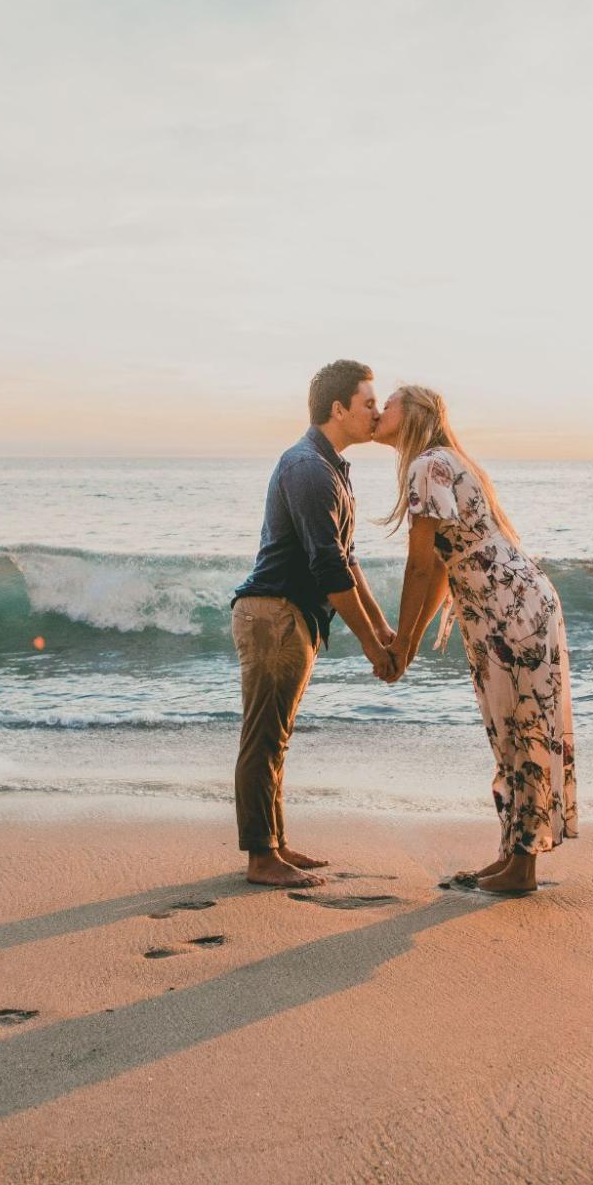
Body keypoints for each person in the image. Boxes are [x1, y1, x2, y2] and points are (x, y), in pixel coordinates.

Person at [376, 385, 576, 894]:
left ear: (414, 415)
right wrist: (412, 640)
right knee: (508, 730)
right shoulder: (443, 461)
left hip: (509, 610)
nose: (380, 410)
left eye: (389, 403)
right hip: (508, 607)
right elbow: (444, 566)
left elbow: (421, 564)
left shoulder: (428, 464)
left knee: (522, 730)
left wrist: (400, 644)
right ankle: (513, 853)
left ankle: (524, 866)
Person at [229, 360, 397, 888]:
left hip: (290, 616)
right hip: (272, 614)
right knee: (264, 736)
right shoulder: (307, 468)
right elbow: (328, 569)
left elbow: (347, 560)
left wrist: (384, 629)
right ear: (338, 408)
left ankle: (274, 845)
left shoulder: (330, 468)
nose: (377, 411)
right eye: (369, 403)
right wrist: (372, 645)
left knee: (277, 735)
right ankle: (261, 857)